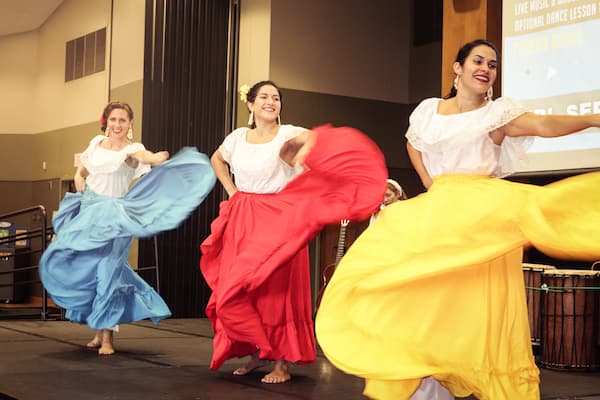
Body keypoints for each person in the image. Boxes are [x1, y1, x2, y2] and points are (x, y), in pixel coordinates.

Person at [315, 39, 600, 400]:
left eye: (492, 65)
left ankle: (473, 375)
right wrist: (430, 181)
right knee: (425, 294)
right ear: (458, 68)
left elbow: (543, 125)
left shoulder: (496, 116)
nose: (485, 68)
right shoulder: (428, 111)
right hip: (438, 211)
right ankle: (424, 376)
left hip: (481, 215)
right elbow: (412, 143)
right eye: (478, 61)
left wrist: (591, 119)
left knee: (475, 303)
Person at [200, 81, 388, 384]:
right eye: (263, 97)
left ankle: (282, 363)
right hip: (244, 216)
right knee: (242, 288)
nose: (270, 102)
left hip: (280, 218)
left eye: (275, 98)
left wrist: (310, 149)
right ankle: (257, 352)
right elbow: (216, 159)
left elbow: (312, 139)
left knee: (278, 291)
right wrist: (233, 192)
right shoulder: (236, 138)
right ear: (250, 105)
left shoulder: (288, 133)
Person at [40, 101, 216, 355]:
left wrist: (155, 158)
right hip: (89, 212)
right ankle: (99, 330)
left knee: (109, 270)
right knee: (91, 271)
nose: (117, 125)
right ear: (106, 121)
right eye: (113, 120)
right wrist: (79, 175)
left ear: (130, 123)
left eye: (123, 120)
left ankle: (109, 336)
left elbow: (141, 158)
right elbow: (86, 167)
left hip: (115, 216)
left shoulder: (133, 148)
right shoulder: (95, 143)